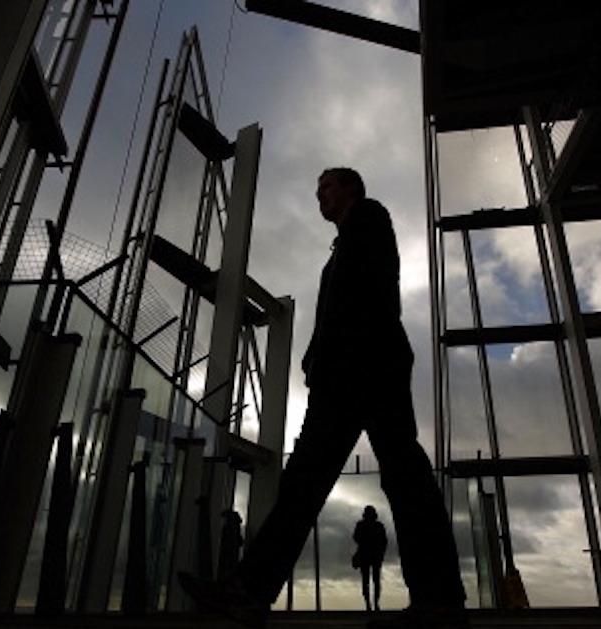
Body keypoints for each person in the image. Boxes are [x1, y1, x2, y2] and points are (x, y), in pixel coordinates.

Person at [181, 167, 467, 628]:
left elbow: (358, 302)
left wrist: (323, 358)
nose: (319, 197)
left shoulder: (368, 220)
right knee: (357, 478)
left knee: (363, 478)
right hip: (358, 369)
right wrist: (319, 359)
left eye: (326, 188)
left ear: (351, 188)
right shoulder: (352, 238)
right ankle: (437, 599)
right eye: (317, 191)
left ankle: (251, 591)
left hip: (361, 368)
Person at [353, 505, 388, 611]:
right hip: (374, 555)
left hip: (367, 554)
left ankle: (369, 604)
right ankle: (374, 604)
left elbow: (356, 537)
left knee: (367, 581)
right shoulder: (378, 525)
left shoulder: (361, 525)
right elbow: (384, 541)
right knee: (374, 581)